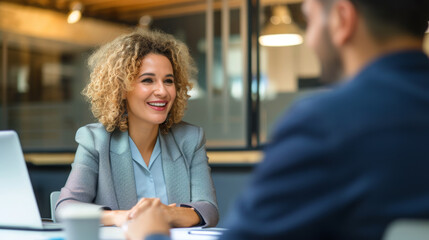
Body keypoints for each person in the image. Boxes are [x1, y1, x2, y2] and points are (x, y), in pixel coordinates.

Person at [124, 0, 429, 239]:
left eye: (308, 21)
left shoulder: (326, 124)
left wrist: (150, 235)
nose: (309, 40)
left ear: (342, 19)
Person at [55, 30, 219, 228]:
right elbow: (65, 209)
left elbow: (208, 209)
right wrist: (122, 217)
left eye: (168, 80)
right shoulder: (95, 140)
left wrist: (166, 213)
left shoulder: (191, 139)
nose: (162, 91)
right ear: (121, 89)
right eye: (148, 80)